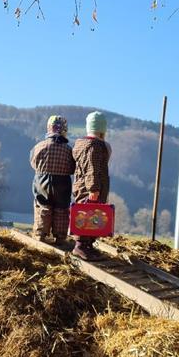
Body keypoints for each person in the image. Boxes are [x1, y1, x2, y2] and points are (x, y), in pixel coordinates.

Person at [72, 111, 111, 260]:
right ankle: (80, 245)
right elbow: (92, 169)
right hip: (90, 188)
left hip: (84, 186)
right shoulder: (94, 146)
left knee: (94, 216)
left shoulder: (82, 144)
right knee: (85, 215)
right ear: (102, 130)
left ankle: (88, 245)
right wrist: (93, 188)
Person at [29, 115, 75, 244]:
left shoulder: (39, 146)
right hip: (62, 182)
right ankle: (60, 237)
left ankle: (40, 235)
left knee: (42, 206)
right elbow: (73, 168)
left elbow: (33, 162)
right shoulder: (69, 150)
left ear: (48, 129)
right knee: (61, 209)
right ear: (65, 130)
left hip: (41, 180)